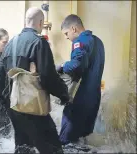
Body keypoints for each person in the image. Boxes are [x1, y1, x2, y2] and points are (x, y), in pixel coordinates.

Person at [0, 7, 70, 154]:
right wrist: (64, 94)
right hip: (33, 109)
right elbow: (48, 77)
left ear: (25, 21)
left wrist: (8, 103)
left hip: (15, 107)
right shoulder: (39, 43)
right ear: (41, 22)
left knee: (23, 148)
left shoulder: (11, 43)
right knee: (53, 148)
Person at [57, 14, 105, 145]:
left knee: (67, 141)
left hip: (80, 98)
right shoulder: (99, 42)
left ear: (73, 28)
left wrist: (61, 66)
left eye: (66, 33)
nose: (67, 37)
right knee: (84, 139)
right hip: (94, 98)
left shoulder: (79, 42)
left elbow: (76, 65)